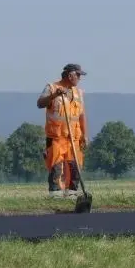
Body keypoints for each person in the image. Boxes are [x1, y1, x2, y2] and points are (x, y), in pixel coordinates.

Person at [37, 63, 88, 198]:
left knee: (75, 167)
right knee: (56, 166)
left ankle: (72, 193)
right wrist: (54, 95)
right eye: (78, 75)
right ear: (70, 75)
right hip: (56, 137)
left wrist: (84, 135)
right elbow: (40, 103)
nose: (79, 78)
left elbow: (81, 115)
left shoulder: (78, 93)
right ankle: (55, 194)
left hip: (74, 137)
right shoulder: (52, 87)